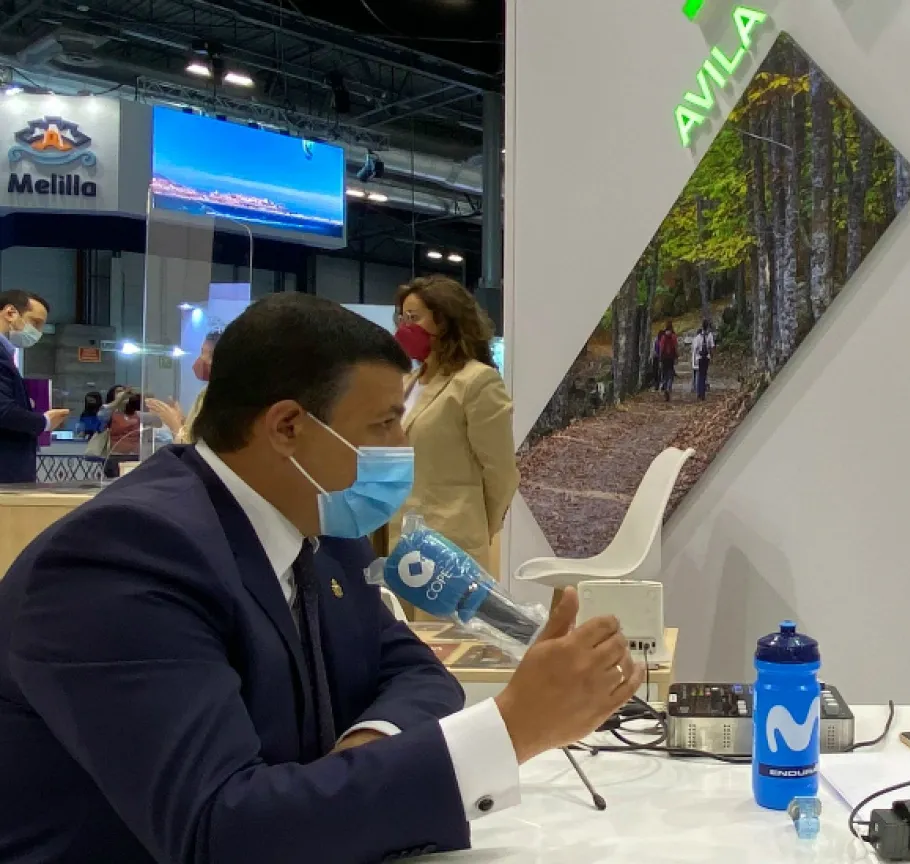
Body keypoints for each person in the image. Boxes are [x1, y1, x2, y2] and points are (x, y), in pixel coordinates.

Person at [0, 293, 643, 863]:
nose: (402, 446)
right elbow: (218, 833)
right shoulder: (125, 558)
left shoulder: (323, 529)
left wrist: (361, 753)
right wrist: (510, 729)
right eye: (383, 423)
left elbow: (415, 673)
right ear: (287, 427)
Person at [391, 275, 517, 573]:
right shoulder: (407, 382)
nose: (405, 327)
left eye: (414, 318)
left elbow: (501, 472)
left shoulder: (477, 381)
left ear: (445, 321)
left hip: (450, 543)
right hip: (399, 538)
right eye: (402, 318)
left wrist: (476, 525)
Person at [0, 290, 69, 483]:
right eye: (35, 322)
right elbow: (3, 411)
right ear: (10, 313)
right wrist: (44, 421)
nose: (38, 332)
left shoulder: (7, 355)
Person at [147, 329, 220, 445]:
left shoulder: (221, 397)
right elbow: (196, 433)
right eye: (202, 352)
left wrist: (174, 424)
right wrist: (182, 419)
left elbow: (196, 448)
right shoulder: (205, 392)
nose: (202, 359)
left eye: (209, 354)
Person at [691, 320, 715, 401]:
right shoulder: (709, 335)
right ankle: (702, 393)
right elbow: (712, 347)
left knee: (701, 375)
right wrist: (712, 356)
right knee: (703, 375)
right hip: (705, 357)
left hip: (700, 357)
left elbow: (695, 349)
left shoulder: (698, 337)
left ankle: (700, 393)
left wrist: (694, 359)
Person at [657, 321, 679, 401]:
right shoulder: (673, 336)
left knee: (664, 373)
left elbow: (661, 347)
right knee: (670, 373)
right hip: (671, 357)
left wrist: (660, 357)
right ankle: (669, 387)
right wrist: (676, 356)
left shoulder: (663, 336)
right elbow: (676, 347)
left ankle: (665, 386)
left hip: (664, 357)